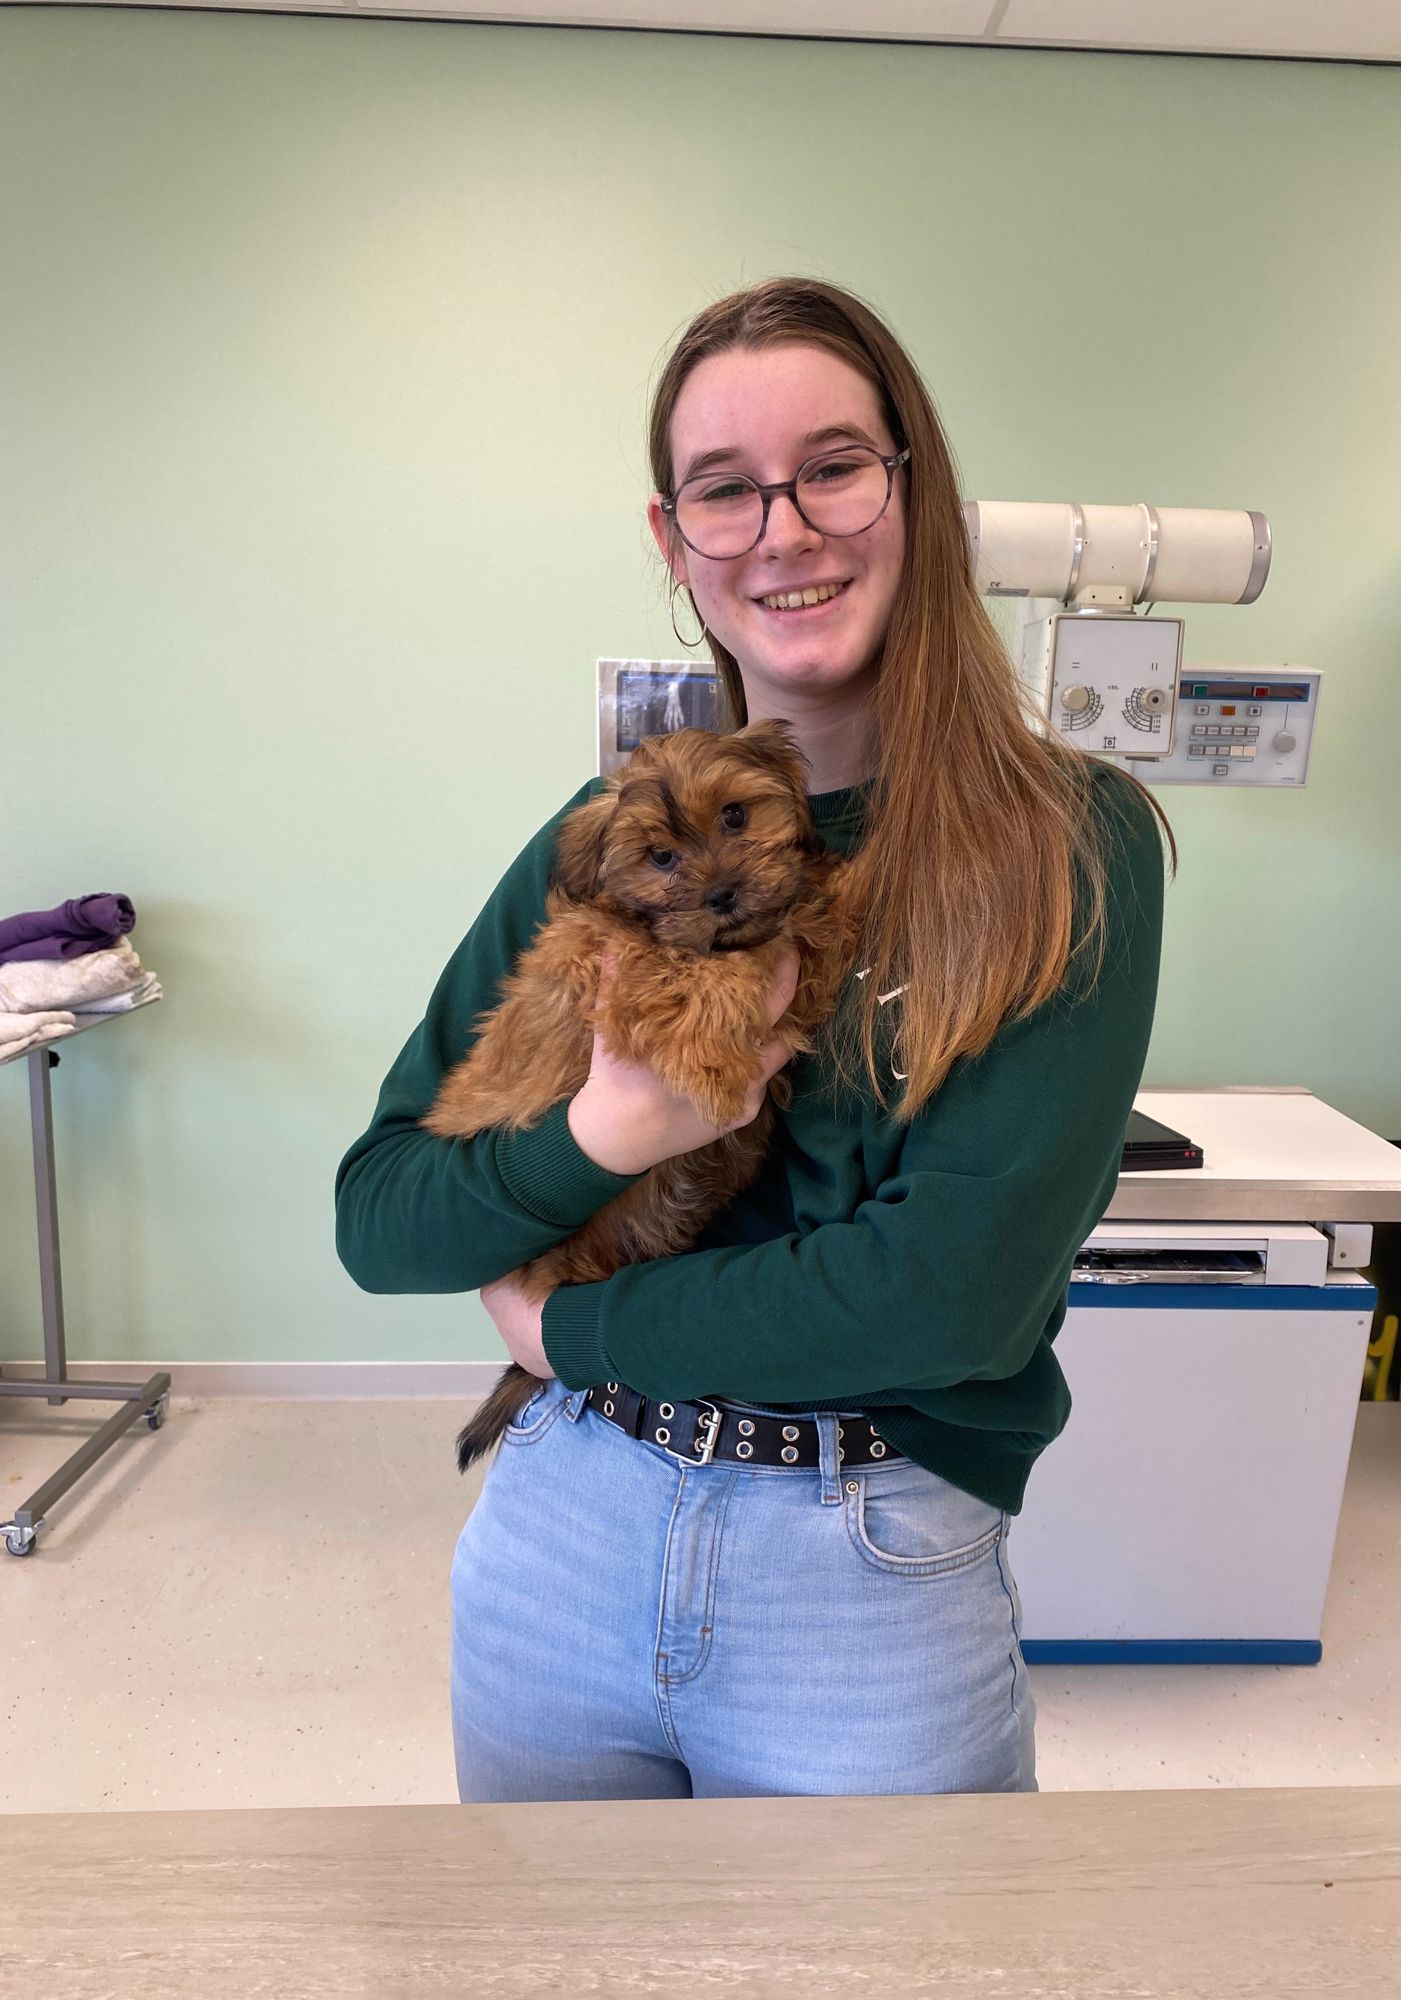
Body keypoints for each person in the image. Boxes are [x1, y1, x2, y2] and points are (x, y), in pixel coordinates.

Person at [335, 276, 1175, 1802]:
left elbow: (950, 1299)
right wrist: (603, 1137)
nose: (784, 529)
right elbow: (384, 1217)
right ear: (675, 543)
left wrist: (566, 1331)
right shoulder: (592, 840)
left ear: (919, 492)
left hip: (862, 1562)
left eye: (834, 467)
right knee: (549, 1934)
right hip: (562, 1527)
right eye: (726, 490)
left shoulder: (1064, 841)